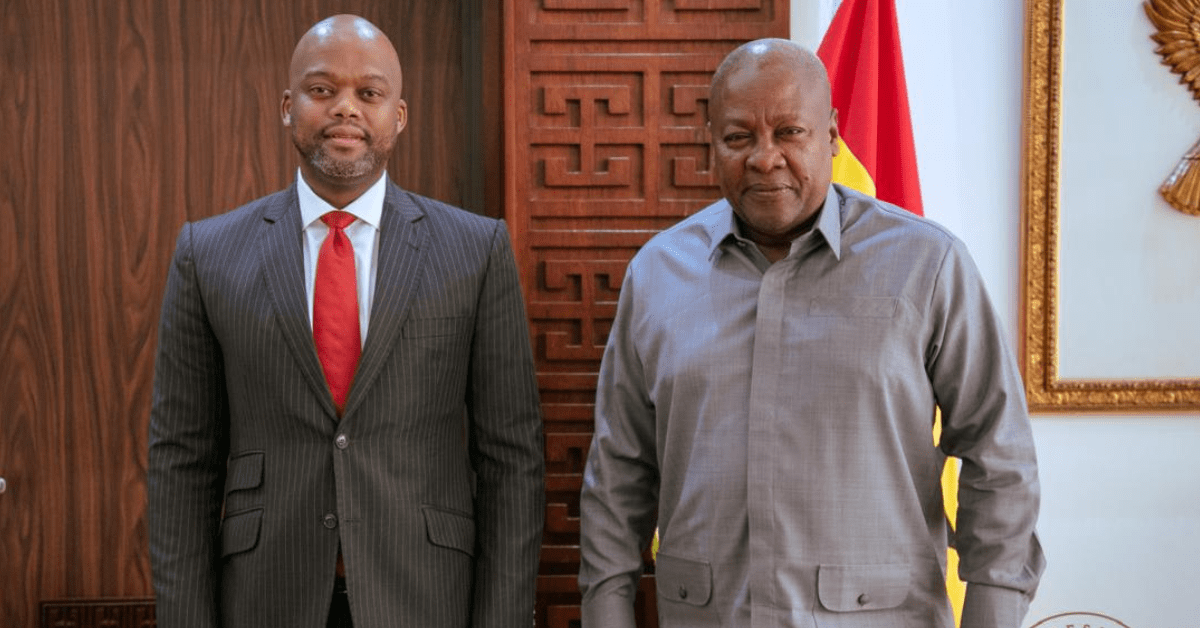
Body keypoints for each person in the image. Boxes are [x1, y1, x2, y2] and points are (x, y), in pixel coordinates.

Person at [578, 38, 1044, 628]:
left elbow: (997, 454)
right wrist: (607, 611)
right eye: (738, 137)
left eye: (789, 133)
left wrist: (991, 615)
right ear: (711, 143)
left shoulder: (927, 265)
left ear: (831, 133)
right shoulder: (657, 275)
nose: (764, 158)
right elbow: (618, 472)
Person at [147, 15, 544, 628]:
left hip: (426, 595)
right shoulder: (209, 253)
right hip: (266, 595)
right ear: (288, 106)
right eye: (322, 90)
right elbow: (182, 460)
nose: (345, 109)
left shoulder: (475, 249)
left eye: (369, 92)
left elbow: (512, 460)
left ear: (399, 115)